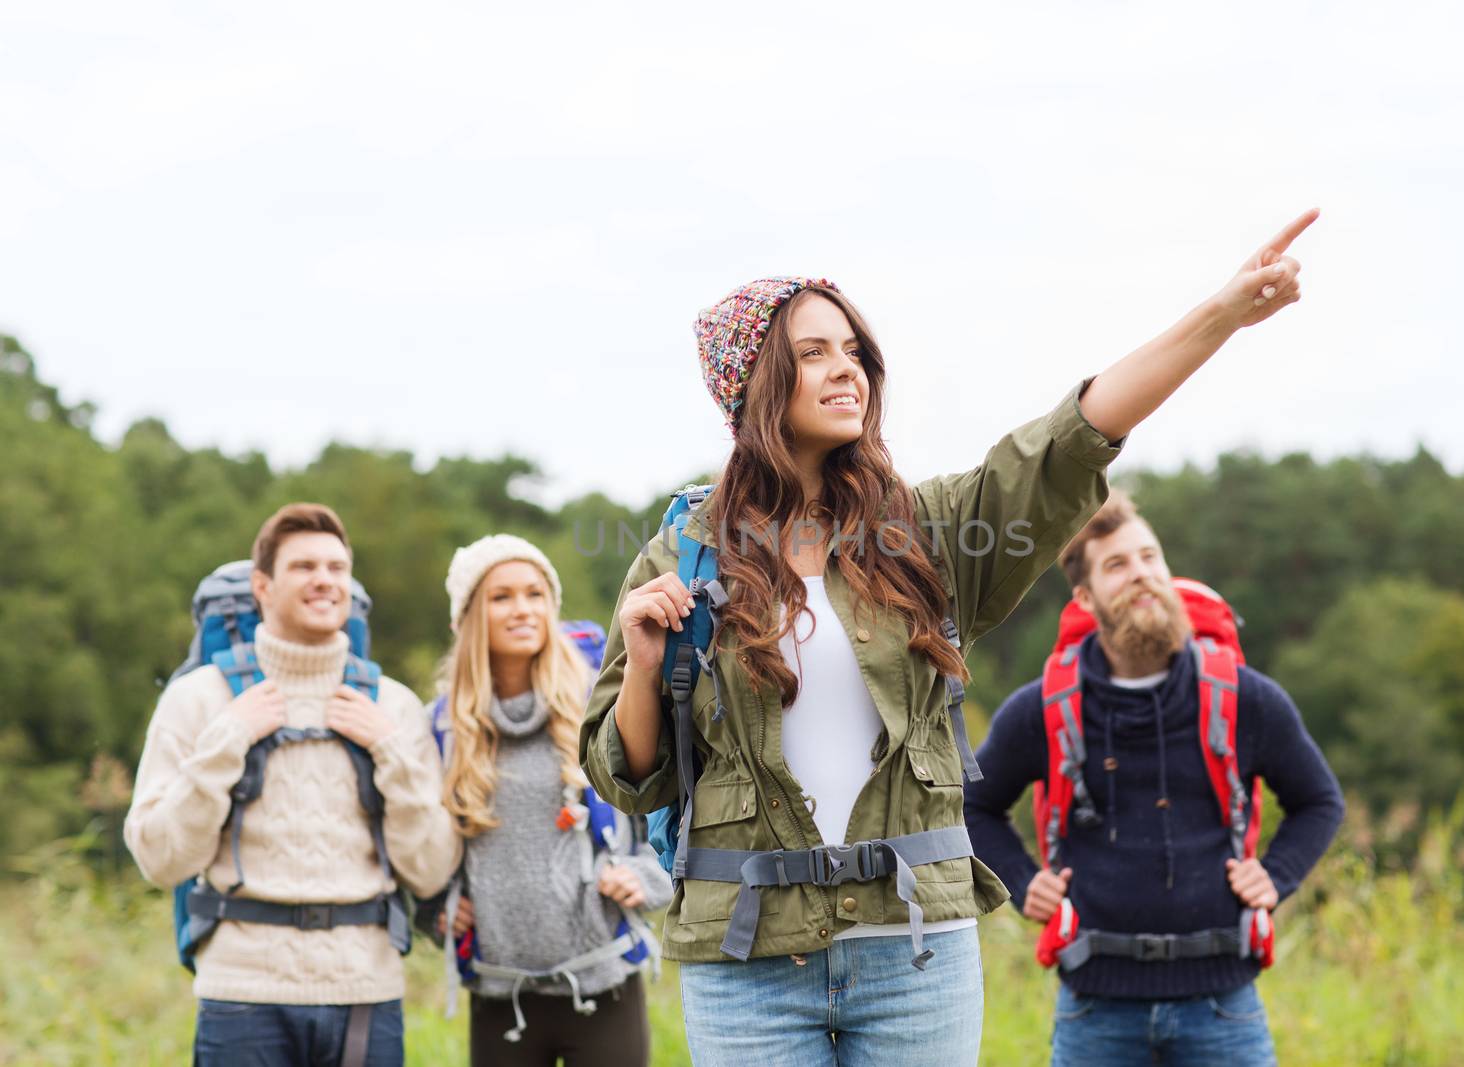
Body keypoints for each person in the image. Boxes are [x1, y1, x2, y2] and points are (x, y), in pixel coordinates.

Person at [579, 209, 1320, 1065]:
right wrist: (642, 664)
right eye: (812, 352)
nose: (845, 368)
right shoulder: (684, 552)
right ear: (749, 381)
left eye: (853, 350)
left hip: (914, 951)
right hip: (745, 961)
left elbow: (1068, 441)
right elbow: (627, 780)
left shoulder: (928, 534)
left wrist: (1221, 314)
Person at [964, 491, 1345, 1065]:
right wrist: (1022, 882)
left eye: (1150, 557)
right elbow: (972, 806)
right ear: (1086, 598)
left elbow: (1320, 800)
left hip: (1223, 1006)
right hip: (1094, 1010)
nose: (1142, 575)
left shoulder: (1244, 697)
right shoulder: (1043, 707)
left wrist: (1277, 875)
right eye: (1118, 565)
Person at [124, 502, 461, 1066]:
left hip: (365, 994)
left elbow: (429, 870)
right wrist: (228, 739)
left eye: (337, 567)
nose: (325, 579)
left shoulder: (393, 707)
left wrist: (390, 753)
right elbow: (159, 859)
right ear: (263, 585)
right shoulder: (199, 699)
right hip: (241, 996)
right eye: (304, 566)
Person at [421, 534, 671, 1066]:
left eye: (535, 594)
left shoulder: (599, 707)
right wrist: (432, 909)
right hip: (500, 993)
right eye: (501, 597)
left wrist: (645, 876)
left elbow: (664, 811)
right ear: (466, 617)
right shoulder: (441, 729)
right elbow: (417, 842)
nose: (522, 610)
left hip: (605, 981)